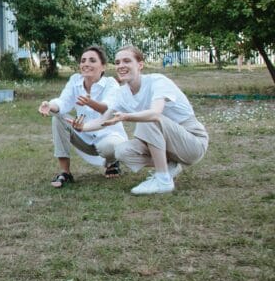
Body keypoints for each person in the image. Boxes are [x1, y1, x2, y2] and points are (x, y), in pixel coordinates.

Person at [73, 45, 208, 196]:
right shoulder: (122, 93)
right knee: (121, 151)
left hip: (192, 142)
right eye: (117, 63)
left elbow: (155, 113)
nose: (121, 66)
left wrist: (126, 116)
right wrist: (82, 127)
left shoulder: (157, 81)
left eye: (126, 61)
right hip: (168, 143)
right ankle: (169, 165)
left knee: (149, 119)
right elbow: (104, 119)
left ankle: (163, 180)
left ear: (140, 65)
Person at [38, 45, 126, 188]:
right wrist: (50, 105)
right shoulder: (75, 81)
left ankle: (112, 162)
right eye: (83, 60)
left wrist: (91, 103)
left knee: (110, 146)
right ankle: (65, 173)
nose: (86, 64)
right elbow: (63, 102)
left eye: (92, 60)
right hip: (84, 136)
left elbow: (107, 108)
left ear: (103, 66)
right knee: (58, 118)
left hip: (108, 138)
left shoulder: (111, 83)